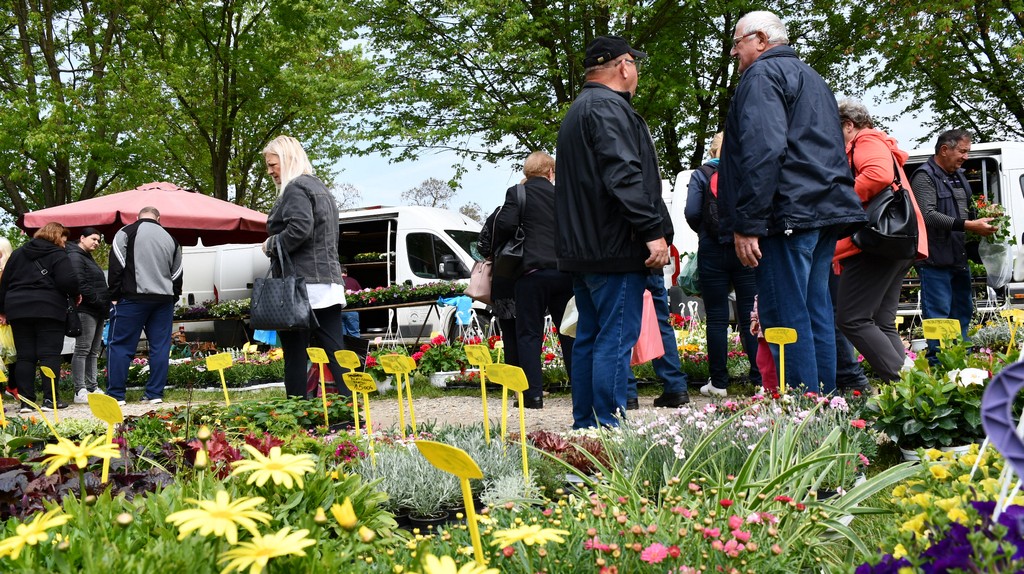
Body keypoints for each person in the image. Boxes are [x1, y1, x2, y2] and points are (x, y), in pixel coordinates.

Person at [717, 11, 865, 395]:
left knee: (785, 314)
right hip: (821, 212)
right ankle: (823, 408)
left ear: (761, 40)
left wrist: (748, 221)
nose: (735, 53)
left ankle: (799, 415)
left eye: (737, 43)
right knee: (816, 311)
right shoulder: (813, 78)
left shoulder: (762, 76)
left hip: (788, 214)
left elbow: (763, 149)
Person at [555, 35, 672, 428]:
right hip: (615, 245)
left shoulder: (578, 110)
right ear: (623, 66)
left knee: (590, 335)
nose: (636, 71)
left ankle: (587, 424)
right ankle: (608, 424)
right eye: (634, 63)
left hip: (584, 248)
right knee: (614, 337)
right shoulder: (608, 108)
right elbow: (623, 175)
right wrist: (652, 231)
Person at [834, 99, 929, 382]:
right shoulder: (882, 143)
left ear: (849, 125)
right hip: (897, 242)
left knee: (852, 318)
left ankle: (905, 386)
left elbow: (877, 175)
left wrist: (838, 202)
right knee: (882, 322)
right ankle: (918, 387)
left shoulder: (867, 140)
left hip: (877, 243)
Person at [263, 135, 349, 399]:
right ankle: (351, 406)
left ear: (288, 159)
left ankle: (297, 409)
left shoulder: (295, 188)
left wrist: (271, 243)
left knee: (295, 354)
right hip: (327, 282)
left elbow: (300, 228)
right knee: (336, 350)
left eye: (272, 164)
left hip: (300, 287)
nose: (270, 171)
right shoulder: (320, 188)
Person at [492, 152, 575, 409]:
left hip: (530, 273)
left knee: (529, 334)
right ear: (551, 172)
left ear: (528, 173)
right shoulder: (563, 195)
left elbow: (503, 225)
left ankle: (532, 395)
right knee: (569, 332)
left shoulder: (517, 193)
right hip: (563, 273)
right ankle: (579, 389)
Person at [683, 132, 759, 397]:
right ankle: (759, 379)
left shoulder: (701, 174)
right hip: (746, 249)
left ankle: (718, 383)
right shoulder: (746, 171)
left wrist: (706, 231)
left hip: (712, 250)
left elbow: (692, 212)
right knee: (750, 313)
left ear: (713, 150)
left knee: (716, 317)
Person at [911, 129, 996, 349]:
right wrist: (967, 225)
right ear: (944, 149)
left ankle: (962, 366)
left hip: (958, 257)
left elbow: (964, 212)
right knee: (939, 317)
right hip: (934, 260)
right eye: (963, 151)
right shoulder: (924, 176)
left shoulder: (958, 176)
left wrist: (984, 215)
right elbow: (928, 215)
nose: (966, 157)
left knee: (962, 312)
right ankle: (940, 366)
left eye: (968, 152)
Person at [106, 207, 182, 406]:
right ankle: (154, 394)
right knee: (160, 347)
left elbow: (116, 265)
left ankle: (116, 395)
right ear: (159, 218)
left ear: (136, 217)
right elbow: (177, 274)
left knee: (121, 345)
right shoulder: (171, 239)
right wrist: (173, 297)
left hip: (132, 298)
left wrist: (113, 295)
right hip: (163, 299)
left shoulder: (125, 232)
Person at [0, 223, 80, 411]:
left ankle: (26, 402)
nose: (64, 243)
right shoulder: (58, 254)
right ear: (56, 236)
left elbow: (4, 283)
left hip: (18, 309)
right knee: (49, 354)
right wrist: (76, 294)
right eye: (63, 239)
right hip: (49, 308)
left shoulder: (18, 253)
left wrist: (2, 309)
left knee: (25, 356)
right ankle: (50, 400)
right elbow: (68, 281)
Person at [67, 227, 111, 403]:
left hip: (97, 309)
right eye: (93, 239)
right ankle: (80, 390)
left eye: (99, 240)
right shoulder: (75, 255)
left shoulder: (86, 256)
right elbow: (80, 283)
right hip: (87, 309)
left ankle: (92, 386)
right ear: (82, 238)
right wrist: (98, 301)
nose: (97, 243)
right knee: (83, 349)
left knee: (94, 351)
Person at [478, 206, 519, 369]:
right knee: (529, 333)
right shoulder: (534, 210)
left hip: (502, 277)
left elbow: (482, 245)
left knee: (509, 334)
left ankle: (515, 384)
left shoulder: (497, 215)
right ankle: (530, 382)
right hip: (528, 276)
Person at [0, 237, 16, 400]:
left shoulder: (8, 271)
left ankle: (12, 386)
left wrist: (3, 313)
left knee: (10, 355)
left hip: (6, 321)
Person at [340, 266, 362, 338]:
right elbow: (361, 294)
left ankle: (344, 349)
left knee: (342, 336)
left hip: (339, 310)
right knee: (354, 333)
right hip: (352, 310)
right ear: (346, 273)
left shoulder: (336, 282)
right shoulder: (353, 280)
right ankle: (356, 349)